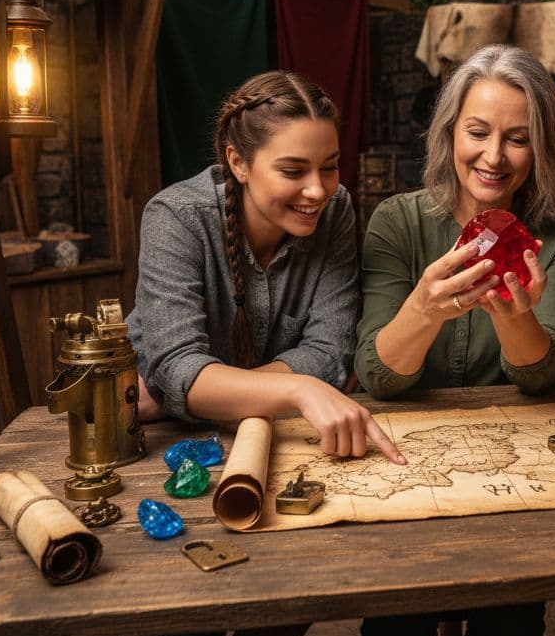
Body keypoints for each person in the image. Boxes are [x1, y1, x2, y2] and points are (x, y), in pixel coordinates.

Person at [353, 44, 555, 636]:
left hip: (511, 479)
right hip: (403, 474)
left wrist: (514, 317)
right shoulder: (397, 223)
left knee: (508, 623)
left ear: (542, 146)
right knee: (393, 628)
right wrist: (424, 306)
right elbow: (377, 377)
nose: (493, 157)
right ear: (449, 133)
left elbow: (541, 377)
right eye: (477, 132)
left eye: (518, 138)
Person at [128, 70, 404, 465]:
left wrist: (193, 393)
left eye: (329, 166)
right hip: (158, 443)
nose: (318, 190)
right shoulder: (174, 217)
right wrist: (300, 390)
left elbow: (332, 353)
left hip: (268, 436)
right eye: (293, 171)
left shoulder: (336, 208)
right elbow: (177, 367)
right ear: (238, 162)